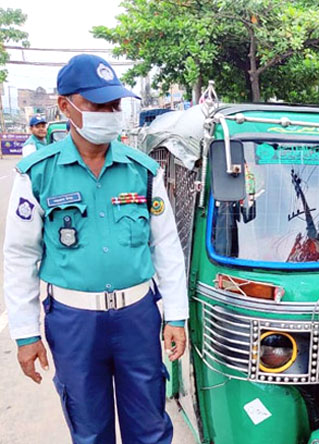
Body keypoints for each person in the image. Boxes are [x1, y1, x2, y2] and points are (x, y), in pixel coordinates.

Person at [3, 54, 189, 444]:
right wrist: (25, 334)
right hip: (74, 323)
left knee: (151, 429)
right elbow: (20, 257)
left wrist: (176, 316)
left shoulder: (143, 171)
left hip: (137, 319)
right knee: (89, 431)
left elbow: (167, 248)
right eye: (97, 105)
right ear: (65, 106)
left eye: (114, 105)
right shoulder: (37, 174)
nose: (109, 113)